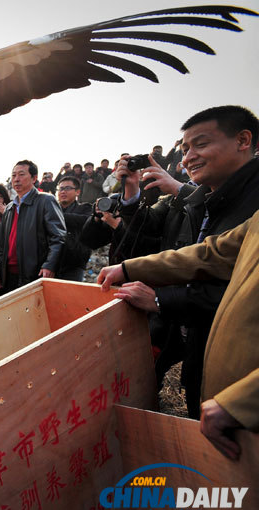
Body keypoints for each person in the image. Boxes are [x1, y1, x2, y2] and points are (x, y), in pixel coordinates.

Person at [103, 105, 259, 417]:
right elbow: (208, 254)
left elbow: (236, 293)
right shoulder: (206, 199)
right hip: (199, 344)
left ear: (243, 141)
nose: (187, 158)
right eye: (185, 149)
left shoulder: (229, 200)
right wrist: (132, 191)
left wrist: (160, 298)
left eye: (200, 145)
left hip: (241, 383)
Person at [97, 208, 259, 461]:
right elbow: (211, 253)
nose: (184, 164)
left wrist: (245, 402)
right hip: (226, 411)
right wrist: (131, 268)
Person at [0, 160, 66, 295]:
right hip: (8, 275)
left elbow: (58, 236)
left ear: (34, 178)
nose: (16, 179)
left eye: (21, 174)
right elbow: (2, 245)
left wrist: (50, 265)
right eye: (14, 175)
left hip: (33, 273)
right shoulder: (9, 208)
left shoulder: (45, 201)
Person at [55, 176, 93, 281]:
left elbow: (86, 220)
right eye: (61, 189)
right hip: (53, 262)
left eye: (67, 188)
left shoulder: (85, 208)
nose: (63, 192)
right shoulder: (52, 210)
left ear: (77, 192)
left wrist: (56, 216)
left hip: (74, 263)